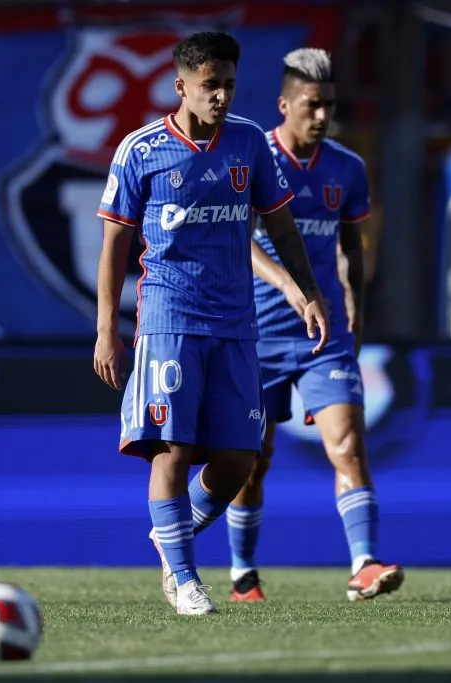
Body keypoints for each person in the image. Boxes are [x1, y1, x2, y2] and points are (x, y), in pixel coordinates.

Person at [94, 32, 329, 616]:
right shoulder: (140, 151)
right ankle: (183, 577)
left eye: (228, 83)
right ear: (181, 86)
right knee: (171, 449)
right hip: (169, 320)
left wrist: (308, 294)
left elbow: (280, 227)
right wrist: (107, 330)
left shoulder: (249, 144)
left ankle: (170, 536)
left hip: (236, 324)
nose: (221, 95)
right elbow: (114, 247)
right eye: (209, 86)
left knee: (237, 462)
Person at [204, 48, 404, 602]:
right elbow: (238, 240)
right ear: (284, 104)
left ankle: (364, 565)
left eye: (330, 107)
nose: (322, 117)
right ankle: (243, 573)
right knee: (251, 461)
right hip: (256, 336)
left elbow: (350, 249)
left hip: (325, 336)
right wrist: (290, 287)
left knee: (348, 444)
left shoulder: (347, 168)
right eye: (312, 106)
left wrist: (354, 310)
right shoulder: (251, 158)